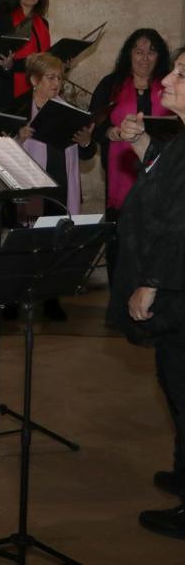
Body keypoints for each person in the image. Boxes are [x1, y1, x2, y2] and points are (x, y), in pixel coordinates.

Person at [105, 45, 185, 540]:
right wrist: (136, 143)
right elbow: (161, 177)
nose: (167, 80)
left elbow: (179, 224)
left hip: (176, 284)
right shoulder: (179, 138)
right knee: (173, 380)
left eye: (180, 73)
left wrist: (149, 285)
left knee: (182, 384)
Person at [15, 52, 95, 320]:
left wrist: (85, 141)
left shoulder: (67, 110)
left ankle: (51, 300)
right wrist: (18, 136)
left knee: (57, 242)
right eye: (50, 78)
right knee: (28, 242)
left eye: (59, 78)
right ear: (34, 80)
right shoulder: (19, 109)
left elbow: (87, 153)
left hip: (62, 183)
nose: (56, 84)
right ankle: (16, 298)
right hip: (32, 186)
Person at [91, 29, 170, 291]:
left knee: (156, 238)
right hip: (121, 175)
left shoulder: (169, 87)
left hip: (161, 176)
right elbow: (94, 125)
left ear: (160, 56)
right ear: (128, 54)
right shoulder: (111, 85)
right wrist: (110, 133)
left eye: (151, 51)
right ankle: (119, 299)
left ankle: (153, 296)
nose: (144, 58)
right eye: (138, 51)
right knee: (120, 238)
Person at [4, 0, 52, 99]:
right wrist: (11, 65)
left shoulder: (43, 23)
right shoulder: (6, 19)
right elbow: (0, 60)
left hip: (41, 87)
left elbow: (46, 57)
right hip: (12, 87)